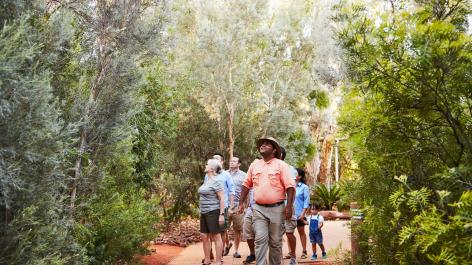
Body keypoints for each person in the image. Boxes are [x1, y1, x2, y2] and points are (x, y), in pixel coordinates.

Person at [238, 137, 296, 265]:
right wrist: (240, 203)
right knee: (260, 239)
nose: (262, 146)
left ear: (274, 150)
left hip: (277, 208)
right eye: (261, 144)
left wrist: (289, 207)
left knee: (275, 241)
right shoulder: (255, 165)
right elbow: (246, 184)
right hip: (258, 209)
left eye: (267, 144)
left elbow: (290, 187)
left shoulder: (281, 165)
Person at [198, 159, 226, 265]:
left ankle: (218, 261)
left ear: (211, 168)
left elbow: (222, 198)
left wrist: (222, 214)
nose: (205, 165)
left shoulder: (217, 181)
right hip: (204, 212)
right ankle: (207, 259)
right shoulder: (207, 180)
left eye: (207, 164)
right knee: (204, 236)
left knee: (216, 236)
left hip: (213, 211)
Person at [207, 154, 235, 257]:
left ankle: (221, 254)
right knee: (209, 231)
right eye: (213, 158)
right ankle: (209, 253)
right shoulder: (208, 174)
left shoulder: (226, 175)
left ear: (222, 162)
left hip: (224, 207)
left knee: (222, 231)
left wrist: (231, 207)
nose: (214, 160)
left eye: (217, 159)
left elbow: (232, 191)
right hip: (210, 206)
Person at [279, 147, 298, 265]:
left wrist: (289, 207)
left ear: (281, 155)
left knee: (289, 232)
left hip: (287, 205)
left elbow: (292, 189)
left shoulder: (290, 169)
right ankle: (278, 259)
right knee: (275, 234)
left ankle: (293, 257)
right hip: (273, 206)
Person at [227, 156, 246, 258]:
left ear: (239, 164)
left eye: (234, 161)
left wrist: (244, 205)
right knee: (222, 228)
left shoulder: (244, 175)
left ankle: (236, 250)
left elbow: (247, 191)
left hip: (238, 204)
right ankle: (226, 245)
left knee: (237, 229)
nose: (232, 162)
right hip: (225, 204)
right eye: (231, 161)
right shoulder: (224, 174)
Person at [294, 168, 310, 259]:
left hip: (300, 213)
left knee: (301, 232)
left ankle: (304, 251)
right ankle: (290, 252)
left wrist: (303, 214)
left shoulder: (304, 187)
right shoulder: (289, 185)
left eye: (295, 173)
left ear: (299, 176)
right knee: (289, 233)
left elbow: (306, 202)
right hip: (290, 214)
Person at [242, 188, 256, 264]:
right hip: (250, 209)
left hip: (262, 209)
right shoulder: (249, 180)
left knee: (260, 235)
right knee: (247, 233)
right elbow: (246, 192)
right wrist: (245, 206)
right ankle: (253, 254)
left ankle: (261, 256)